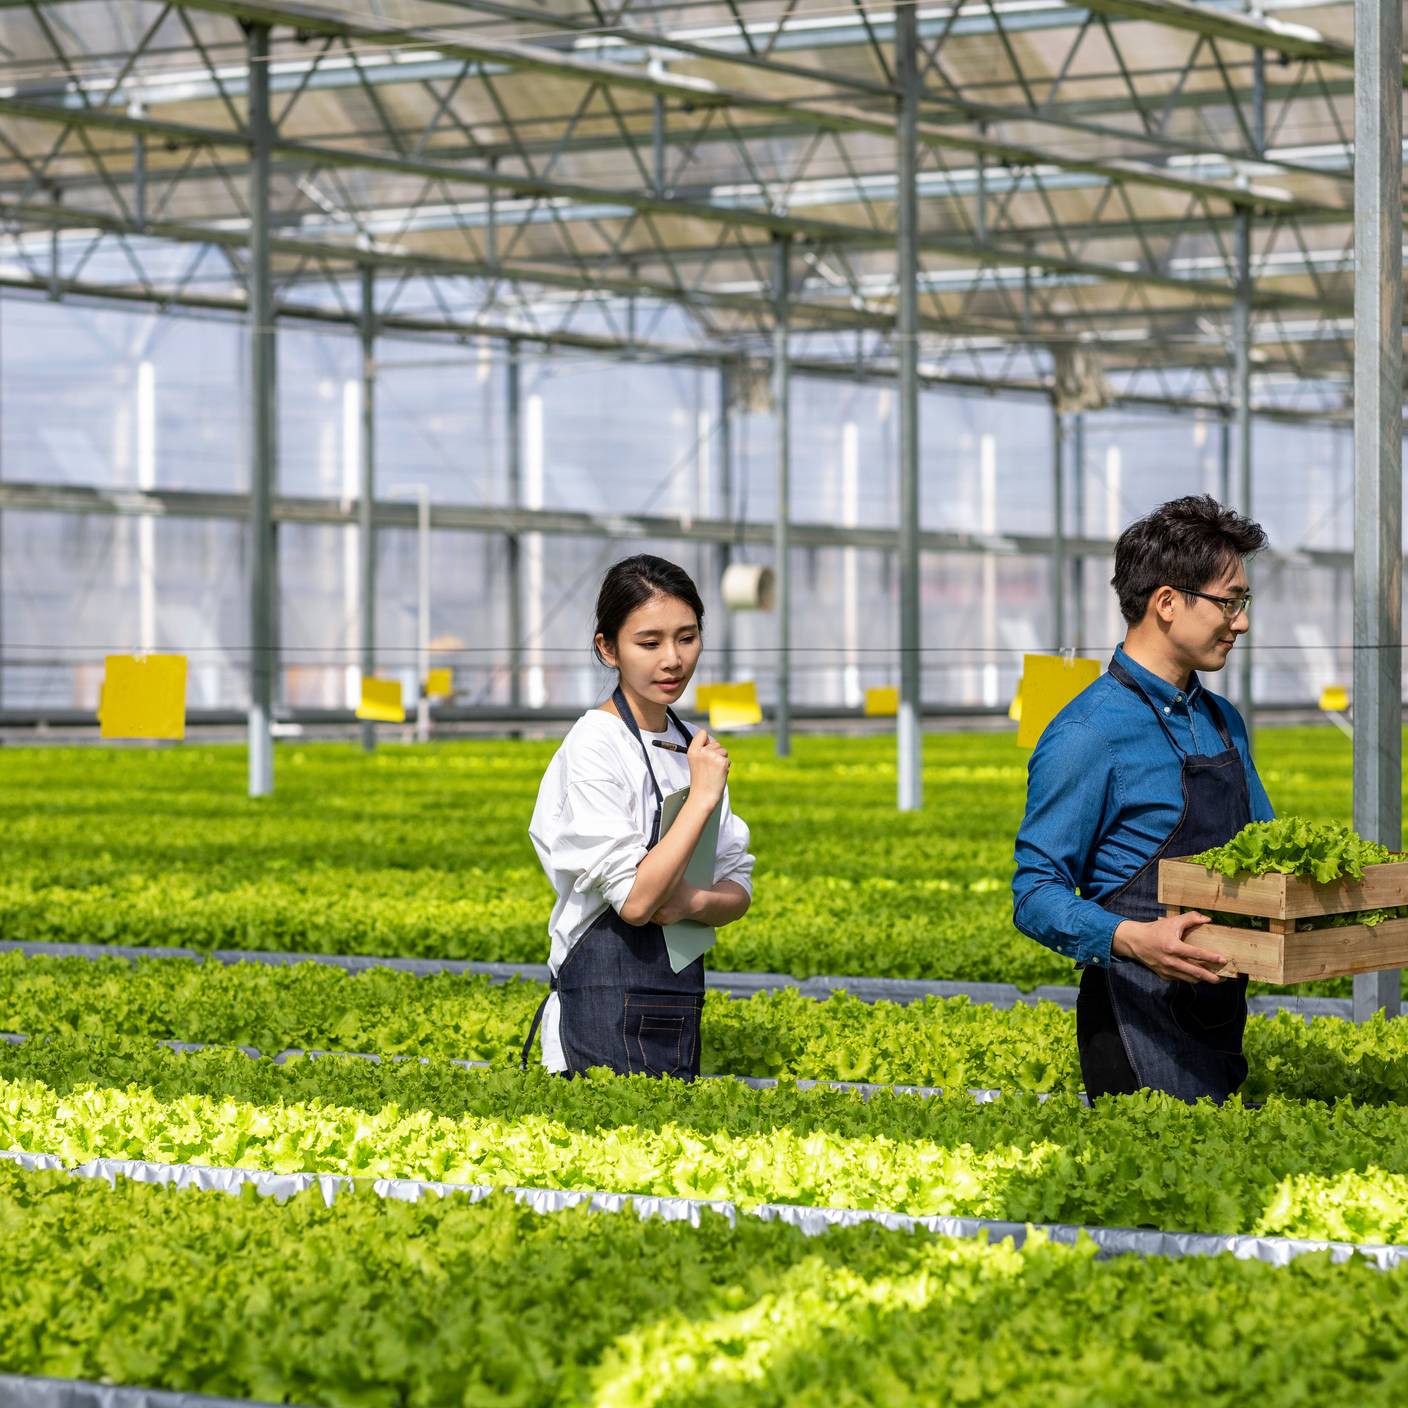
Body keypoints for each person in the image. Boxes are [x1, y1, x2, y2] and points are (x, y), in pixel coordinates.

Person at [1012, 495, 1274, 1103]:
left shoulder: (1222, 720)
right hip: (1133, 1021)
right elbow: (1035, 892)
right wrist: (1131, 938)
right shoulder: (1089, 733)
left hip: (1221, 1010)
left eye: (1244, 603)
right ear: (1166, 602)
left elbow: (1267, 850)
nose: (1241, 622)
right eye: (1229, 602)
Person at [521, 555, 754, 1078]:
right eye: (649, 643)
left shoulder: (692, 745)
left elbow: (738, 886)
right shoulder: (595, 744)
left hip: (677, 996)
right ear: (609, 648)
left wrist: (689, 902)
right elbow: (635, 901)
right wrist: (700, 798)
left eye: (687, 638)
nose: (672, 659)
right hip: (599, 999)